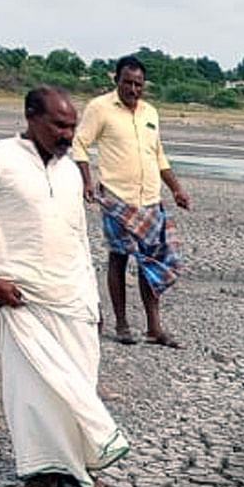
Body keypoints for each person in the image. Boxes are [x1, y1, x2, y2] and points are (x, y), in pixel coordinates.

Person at [0, 87, 130, 487]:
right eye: (60, 125)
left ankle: (77, 466)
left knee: (77, 383)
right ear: (31, 116)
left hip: (72, 296)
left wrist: (93, 297)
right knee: (32, 388)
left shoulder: (71, 171)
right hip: (20, 297)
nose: (68, 135)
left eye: (72, 126)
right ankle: (41, 471)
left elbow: (77, 236)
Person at [73, 55, 192, 347]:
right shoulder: (100, 108)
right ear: (116, 80)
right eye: (127, 82)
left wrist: (176, 189)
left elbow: (159, 155)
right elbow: (80, 144)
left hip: (150, 200)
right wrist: (87, 182)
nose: (133, 89)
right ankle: (122, 324)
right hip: (117, 198)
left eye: (139, 84)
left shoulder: (150, 112)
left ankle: (154, 328)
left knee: (151, 261)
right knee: (119, 257)